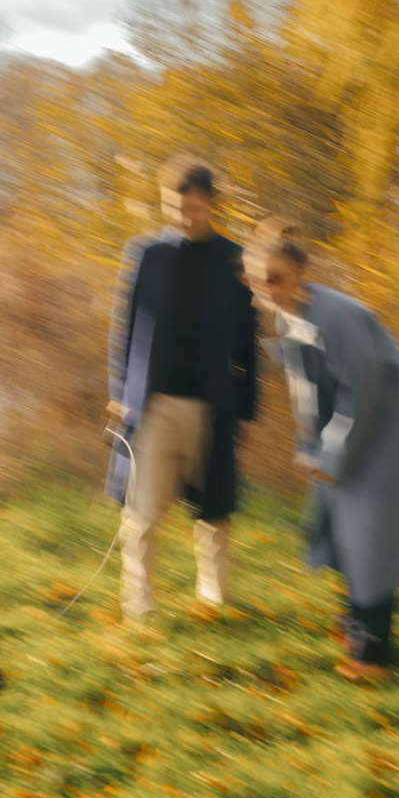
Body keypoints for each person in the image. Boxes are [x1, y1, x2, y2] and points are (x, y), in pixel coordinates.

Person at [244, 217, 399, 679]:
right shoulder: (287, 313)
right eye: (258, 279)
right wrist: (307, 447)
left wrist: (330, 454)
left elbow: (362, 389)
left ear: (299, 275)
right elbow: (309, 391)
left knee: (369, 542)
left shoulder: (336, 316)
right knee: (337, 531)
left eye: (277, 279)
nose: (266, 287)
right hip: (348, 432)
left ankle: (371, 658)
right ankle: (354, 624)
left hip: (388, 433)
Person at [106, 156, 261, 622]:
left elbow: (248, 343)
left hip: (214, 405)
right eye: (174, 206)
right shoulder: (145, 253)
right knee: (142, 513)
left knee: (214, 515)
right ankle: (140, 607)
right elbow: (124, 327)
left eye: (192, 206)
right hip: (152, 404)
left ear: (211, 204)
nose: (183, 216)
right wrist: (120, 391)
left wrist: (248, 410)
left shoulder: (235, 260)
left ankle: (213, 603)